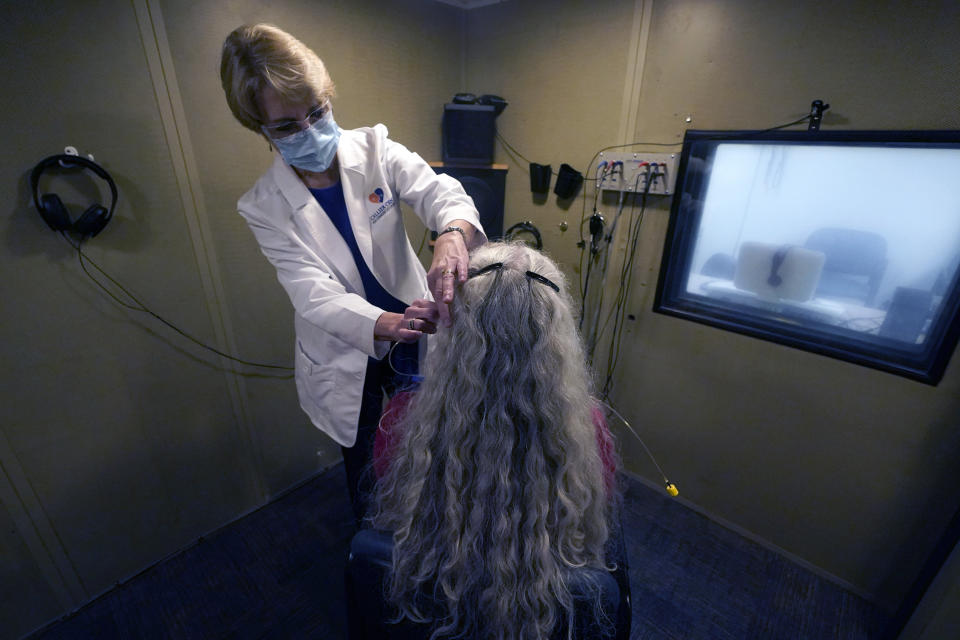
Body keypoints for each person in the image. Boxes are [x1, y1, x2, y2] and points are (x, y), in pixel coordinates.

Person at [219, 23, 485, 523]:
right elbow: (311, 292)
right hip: (343, 346)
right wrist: (379, 324)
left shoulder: (375, 149)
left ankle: (431, 530)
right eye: (286, 126)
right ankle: (373, 549)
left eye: (318, 112)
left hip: (414, 327)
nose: (311, 131)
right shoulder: (263, 207)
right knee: (365, 464)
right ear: (259, 129)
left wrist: (451, 232)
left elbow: (440, 192)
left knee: (425, 443)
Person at [371, 242, 627, 640]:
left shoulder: (400, 419)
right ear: (557, 339)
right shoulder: (589, 429)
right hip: (543, 598)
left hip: (429, 591)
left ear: (454, 327)